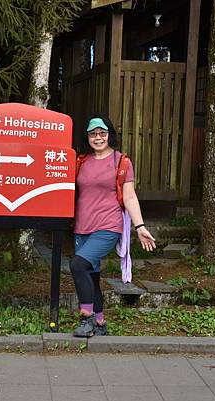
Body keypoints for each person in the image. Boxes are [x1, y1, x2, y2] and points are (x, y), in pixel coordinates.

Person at [71, 115, 156, 337]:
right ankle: (100, 323)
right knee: (91, 275)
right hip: (82, 226)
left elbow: (129, 197)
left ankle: (86, 319)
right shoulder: (81, 161)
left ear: (109, 135)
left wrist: (140, 226)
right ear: (87, 137)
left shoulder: (121, 162)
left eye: (102, 133)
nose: (98, 138)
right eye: (93, 134)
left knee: (78, 265)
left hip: (108, 226)